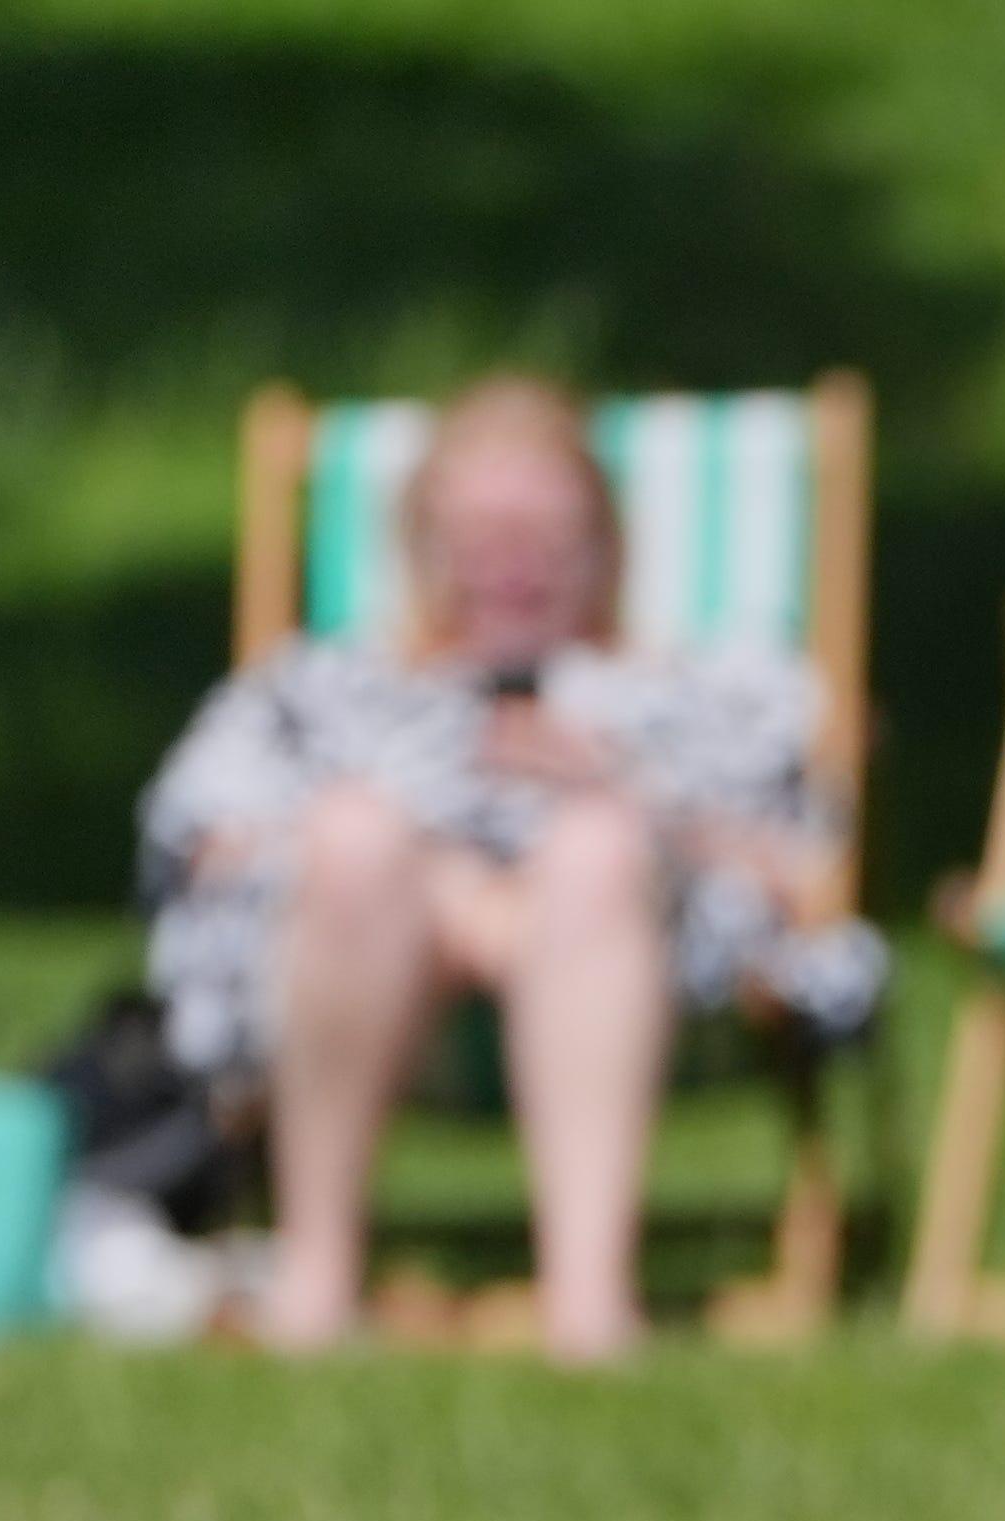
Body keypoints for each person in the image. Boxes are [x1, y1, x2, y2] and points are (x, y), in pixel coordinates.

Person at [134, 375, 878, 1360]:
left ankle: (588, 1304)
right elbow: (194, 842)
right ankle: (317, 1284)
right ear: (421, 547)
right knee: (358, 838)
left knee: (594, 850)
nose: (512, 567)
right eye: (481, 538)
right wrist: (451, 893)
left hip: (632, 958)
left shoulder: (704, 689)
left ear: (605, 546)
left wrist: (628, 786)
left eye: (544, 538)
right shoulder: (322, 685)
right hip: (362, 966)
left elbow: (807, 871)